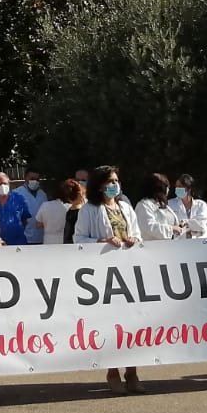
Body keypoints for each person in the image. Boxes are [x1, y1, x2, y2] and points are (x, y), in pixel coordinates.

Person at [75, 166, 145, 394]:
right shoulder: (89, 210)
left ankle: (132, 372)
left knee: (131, 324)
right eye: (109, 181)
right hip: (104, 274)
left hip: (128, 272)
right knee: (110, 325)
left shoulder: (125, 206)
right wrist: (102, 241)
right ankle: (113, 371)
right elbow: (79, 238)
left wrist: (134, 239)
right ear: (99, 185)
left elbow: (137, 233)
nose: (114, 184)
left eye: (116, 180)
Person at [135, 173, 184, 241]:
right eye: (166, 186)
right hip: (153, 248)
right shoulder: (144, 205)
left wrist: (179, 225)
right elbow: (149, 227)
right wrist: (171, 229)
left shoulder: (163, 205)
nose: (168, 189)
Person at [0, 172, 33, 245]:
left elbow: (25, 219)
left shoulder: (19, 199)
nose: (2, 186)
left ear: (9, 183)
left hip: (18, 242)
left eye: (4, 183)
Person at [35, 178, 81, 244]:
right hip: (65, 240)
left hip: (49, 240)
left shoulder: (45, 205)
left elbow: (38, 225)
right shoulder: (71, 208)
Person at [172, 174, 207, 239]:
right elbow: (171, 225)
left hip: (201, 241)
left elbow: (201, 225)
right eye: (176, 186)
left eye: (180, 186)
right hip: (180, 242)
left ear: (188, 188)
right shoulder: (170, 204)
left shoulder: (201, 205)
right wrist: (193, 225)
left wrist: (184, 222)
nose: (177, 189)